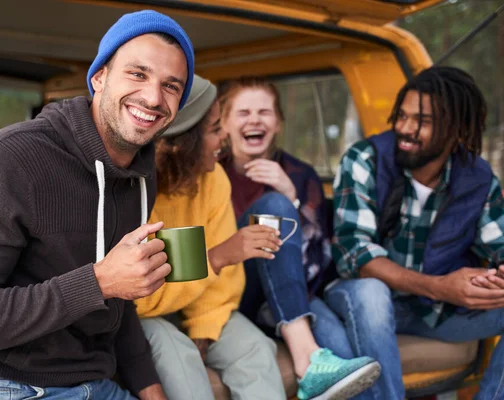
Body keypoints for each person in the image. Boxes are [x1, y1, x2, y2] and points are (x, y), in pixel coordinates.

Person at [0, 10, 194, 400]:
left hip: (89, 382)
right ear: (100, 76)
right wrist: (99, 280)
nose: (153, 97)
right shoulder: (9, 158)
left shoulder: (140, 176)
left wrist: (150, 389)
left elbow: (119, 304)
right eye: (137, 74)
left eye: (171, 86)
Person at [326, 65, 504, 400]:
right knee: (372, 293)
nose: (404, 129)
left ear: (456, 129)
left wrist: (497, 280)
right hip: (359, 299)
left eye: (422, 121)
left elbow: (500, 244)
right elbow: (355, 253)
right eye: (402, 116)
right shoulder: (364, 159)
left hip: (429, 310)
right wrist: (440, 287)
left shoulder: (477, 178)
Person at [219, 76, 380, 400]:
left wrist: (291, 197)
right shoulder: (210, 173)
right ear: (223, 123)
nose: (254, 120)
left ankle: (314, 363)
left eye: (264, 112)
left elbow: (315, 265)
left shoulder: (298, 174)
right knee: (273, 207)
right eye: (243, 112)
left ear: (277, 122)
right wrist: (280, 205)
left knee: (340, 344)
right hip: (234, 289)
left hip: (292, 291)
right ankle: (308, 361)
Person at [134, 75, 285, 400]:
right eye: (216, 129)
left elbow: (223, 283)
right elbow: (138, 300)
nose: (224, 139)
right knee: (176, 352)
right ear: (183, 142)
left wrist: (204, 327)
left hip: (195, 303)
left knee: (256, 349)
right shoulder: (133, 188)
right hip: (140, 315)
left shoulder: (214, 180)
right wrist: (215, 257)